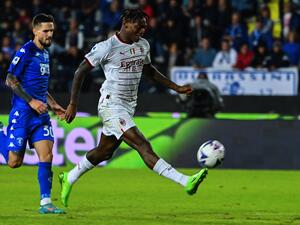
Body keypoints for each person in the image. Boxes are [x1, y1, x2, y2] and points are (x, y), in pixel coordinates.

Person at [59, 8, 208, 207]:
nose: (143, 31)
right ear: (126, 23)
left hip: (128, 106)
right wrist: (72, 104)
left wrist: (176, 88)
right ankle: (185, 181)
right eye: (139, 26)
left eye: (145, 27)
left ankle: (69, 177)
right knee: (142, 145)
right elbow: (80, 72)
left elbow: (150, 71)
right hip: (111, 105)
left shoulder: (143, 45)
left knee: (104, 152)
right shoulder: (106, 47)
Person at [0, 13, 65, 214]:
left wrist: (53, 104)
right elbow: (10, 79)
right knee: (14, 163)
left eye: (52, 30)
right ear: (35, 31)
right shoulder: (26, 51)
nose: (49, 34)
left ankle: (46, 203)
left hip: (41, 116)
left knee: (46, 155)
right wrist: (31, 102)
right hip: (22, 114)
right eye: (46, 30)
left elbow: (39, 87)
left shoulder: (46, 53)